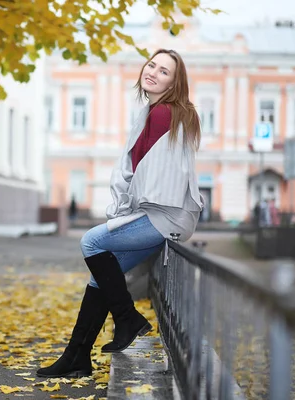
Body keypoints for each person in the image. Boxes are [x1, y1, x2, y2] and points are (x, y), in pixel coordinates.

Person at [37, 49, 203, 378]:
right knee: (99, 276)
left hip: (163, 217)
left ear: (175, 81)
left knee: (91, 241)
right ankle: (77, 356)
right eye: (152, 65)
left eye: (165, 71)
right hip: (159, 213)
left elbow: (152, 174)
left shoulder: (163, 114)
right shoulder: (155, 112)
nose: (153, 72)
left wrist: (125, 206)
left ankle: (127, 319)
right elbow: (143, 170)